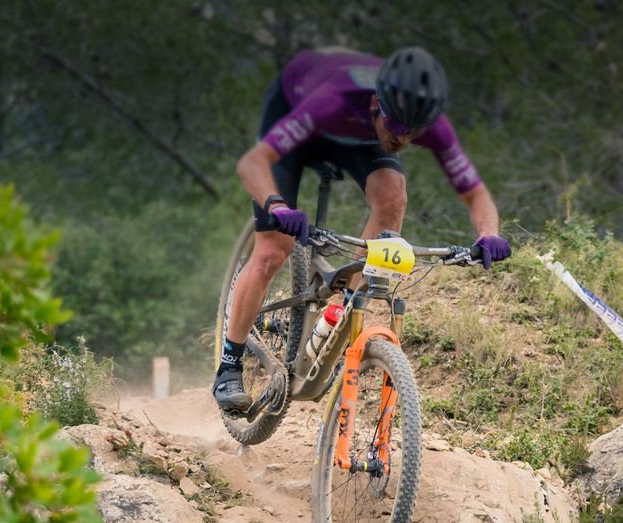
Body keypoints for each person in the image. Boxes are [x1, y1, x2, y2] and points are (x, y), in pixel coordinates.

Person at [213, 46, 512, 411]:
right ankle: (229, 365)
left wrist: (489, 234)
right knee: (274, 250)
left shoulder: (421, 123)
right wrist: (276, 205)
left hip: (360, 136)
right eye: (399, 127)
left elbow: (475, 193)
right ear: (376, 105)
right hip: (298, 118)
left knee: (393, 198)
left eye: (414, 132)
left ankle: (339, 319)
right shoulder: (331, 102)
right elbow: (252, 164)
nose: (404, 139)